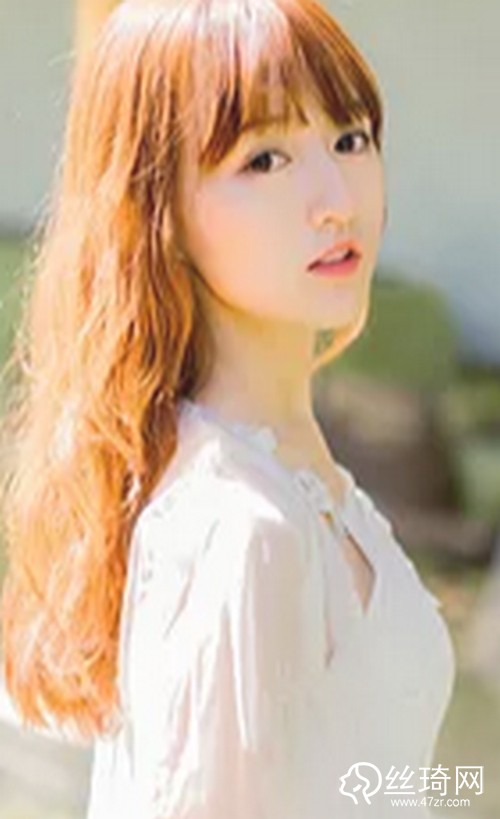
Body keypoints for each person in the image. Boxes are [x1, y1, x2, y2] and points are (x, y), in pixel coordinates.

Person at [0, 0, 456, 816]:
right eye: (265, 158)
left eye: (350, 138)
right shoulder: (242, 527)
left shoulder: (290, 471)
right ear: (160, 211)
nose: (335, 198)